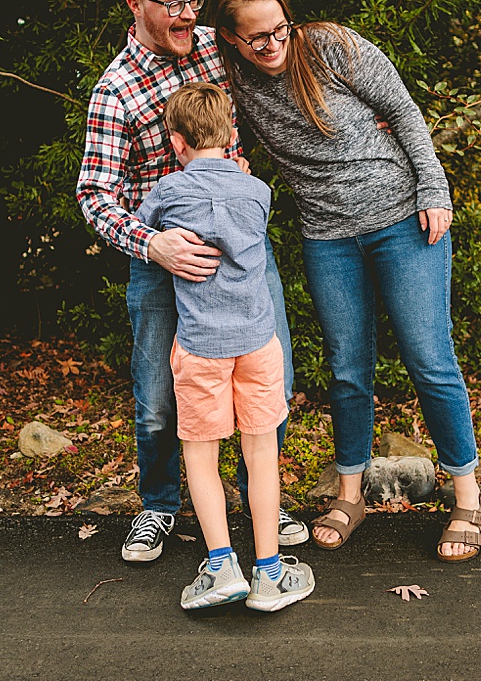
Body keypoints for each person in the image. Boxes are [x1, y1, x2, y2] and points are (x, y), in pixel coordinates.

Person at [211, 0, 481, 561]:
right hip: (328, 237)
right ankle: (351, 494)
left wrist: (434, 191)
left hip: (402, 221)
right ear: (232, 39)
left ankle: (467, 497)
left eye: (279, 29)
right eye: (255, 38)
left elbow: (405, 113)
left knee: (428, 358)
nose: (272, 45)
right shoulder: (232, 75)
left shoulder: (333, 47)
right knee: (346, 370)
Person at [76, 0, 308, 563]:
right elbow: (94, 197)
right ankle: (159, 505)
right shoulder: (115, 91)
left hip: (239, 257)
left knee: (270, 382)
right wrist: (154, 243)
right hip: (163, 263)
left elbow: (285, 66)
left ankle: (265, 500)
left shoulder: (215, 46)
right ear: (136, 5)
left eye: (193, 0)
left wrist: (369, 122)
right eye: (172, 3)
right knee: (157, 398)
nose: (187, 13)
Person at [136, 82, 315, 611]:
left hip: (199, 348)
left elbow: (144, 228)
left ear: (176, 142)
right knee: (262, 455)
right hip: (258, 344)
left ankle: (220, 568)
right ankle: (269, 572)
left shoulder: (168, 191)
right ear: (233, 133)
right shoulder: (257, 191)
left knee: (201, 456)